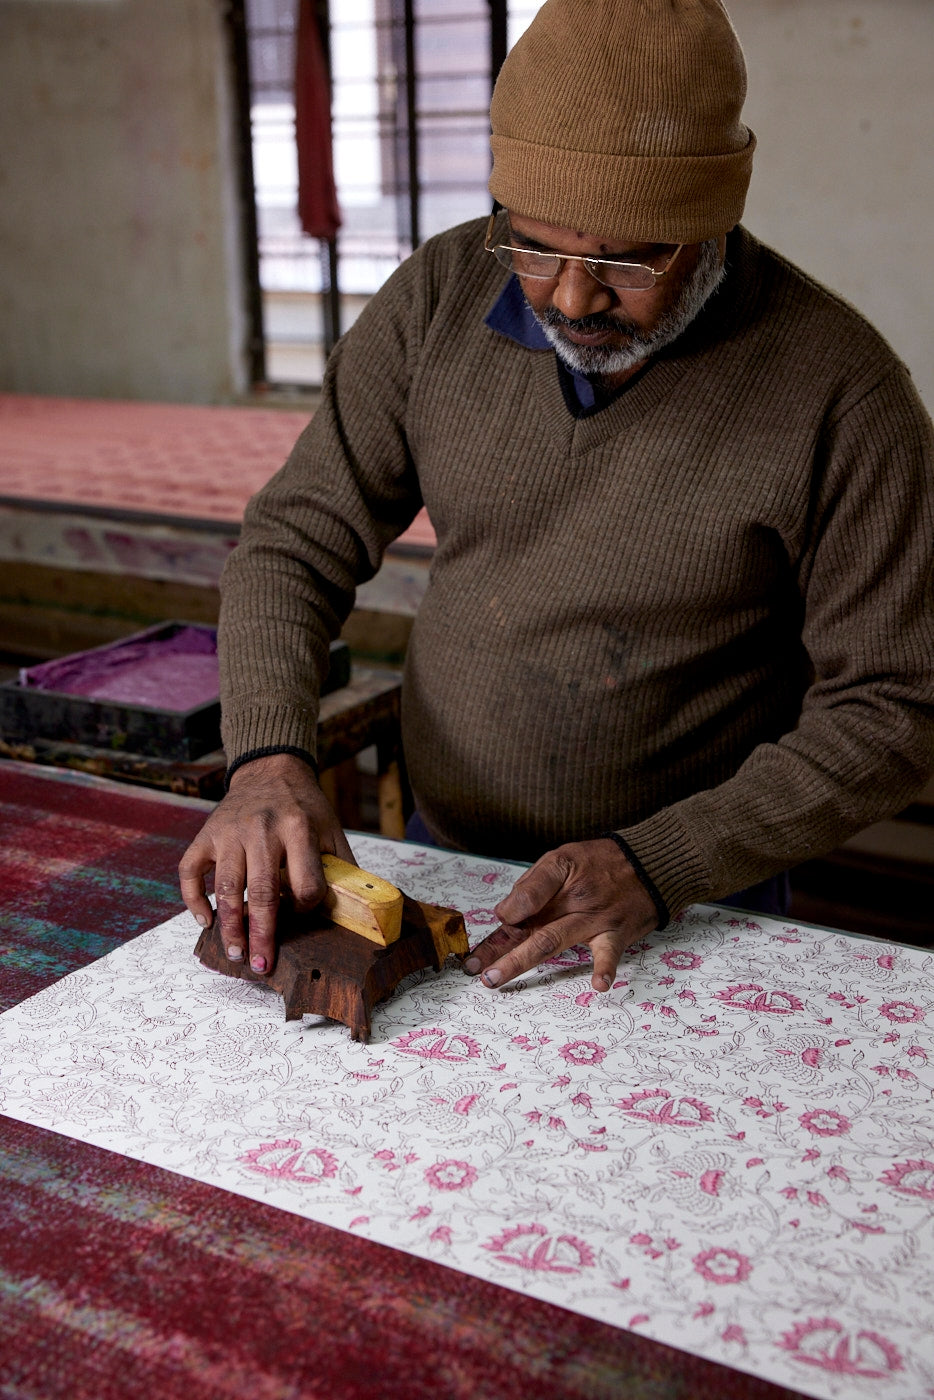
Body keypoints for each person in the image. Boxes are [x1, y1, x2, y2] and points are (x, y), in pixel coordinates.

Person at [180, 0, 934, 996]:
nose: (574, 299)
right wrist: (268, 755)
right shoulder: (436, 300)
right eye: (532, 246)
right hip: (448, 855)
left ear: (714, 220)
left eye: (628, 258)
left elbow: (896, 701)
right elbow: (293, 539)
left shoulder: (840, 390)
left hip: (689, 898)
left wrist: (662, 861)